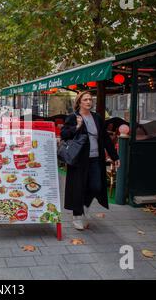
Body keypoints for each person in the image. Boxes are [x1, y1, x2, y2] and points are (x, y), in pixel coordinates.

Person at [61, 91, 120, 230]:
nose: (88, 102)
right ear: (79, 102)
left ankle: (84, 207)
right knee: (78, 188)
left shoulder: (97, 117)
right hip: (79, 159)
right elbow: (63, 134)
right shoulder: (73, 117)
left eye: (90, 99)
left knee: (96, 186)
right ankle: (77, 216)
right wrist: (77, 127)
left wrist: (115, 156)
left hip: (95, 158)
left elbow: (104, 138)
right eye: (85, 100)